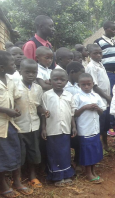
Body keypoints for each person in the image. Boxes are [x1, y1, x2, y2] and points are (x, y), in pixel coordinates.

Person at [0, 51, 33, 197]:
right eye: (12, 64)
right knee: (2, 155)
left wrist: (15, 109)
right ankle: (3, 185)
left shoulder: (11, 81)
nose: (15, 66)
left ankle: (17, 181)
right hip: (1, 126)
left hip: (11, 124)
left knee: (16, 152)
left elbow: (15, 98)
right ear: (2, 67)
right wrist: (6, 110)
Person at [14, 59, 49, 189]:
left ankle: (33, 176)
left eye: (34, 72)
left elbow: (38, 106)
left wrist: (44, 111)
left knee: (34, 152)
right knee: (20, 153)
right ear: (20, 72)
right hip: (18, 126)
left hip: (34, 125)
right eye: (27, 72)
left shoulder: (38, 88)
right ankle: (17, 177)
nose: (31, 75)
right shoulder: (14, 86)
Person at [41, 69, 76, 187]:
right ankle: (56, 176)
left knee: (65, 152)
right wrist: (43, 129)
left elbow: (71, 113)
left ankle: (66, 174)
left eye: (62, 80)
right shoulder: (46, 95)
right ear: (50, 81)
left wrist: (74, 127)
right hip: (52, 129)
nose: (59, 82)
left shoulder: (69, 95)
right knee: (53, 152)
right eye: (55, 80)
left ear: (67, 81)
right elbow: (43, 114)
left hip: (65, 129)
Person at [74, 73, 106, 183]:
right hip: (84, 129)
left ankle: (93, 170)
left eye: (89, 84)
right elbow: (75, 114)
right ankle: (88, 173)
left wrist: (97, 108)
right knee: (87, 151)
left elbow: (102, 112)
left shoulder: (96, 96)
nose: (86, 87)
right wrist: (85, 107)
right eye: (83, 85)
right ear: (79, 85)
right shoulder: (77, 97)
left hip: (95, 128)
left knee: (94, 150)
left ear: (93, 84)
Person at [85, 44, 112, 149]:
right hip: (99, 99)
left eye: (100, 53)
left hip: (105, 100)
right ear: (89, 54)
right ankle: (98, 146)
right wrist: (107, 97)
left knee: (105, 124)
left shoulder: (100, 64)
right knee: (99, 124)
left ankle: (105, 144)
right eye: (95, 53)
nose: (98, 55)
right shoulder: (91, 67)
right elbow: (94, 86)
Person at [94, 21, 115, 93]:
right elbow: (95, 58)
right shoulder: (98, 42)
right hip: (106, 73)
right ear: (105, 29)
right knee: (107, 93)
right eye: (113, 29)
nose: (114, 31)